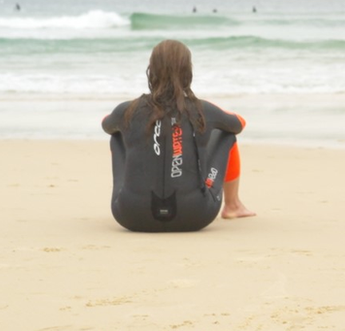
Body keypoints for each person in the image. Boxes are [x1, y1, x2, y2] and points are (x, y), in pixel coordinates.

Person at [102, 40, 255, 232]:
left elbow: (106, 125)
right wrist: (214, 116)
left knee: (116, 135)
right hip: (195, 215)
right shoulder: (203, 110)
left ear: (151, 70)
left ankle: (134, 193)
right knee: (226, 135)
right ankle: (233, 206)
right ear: (188, 72)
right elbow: (238, 124)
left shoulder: (127, 110)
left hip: (131, 215)